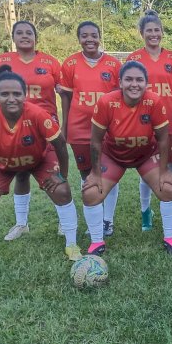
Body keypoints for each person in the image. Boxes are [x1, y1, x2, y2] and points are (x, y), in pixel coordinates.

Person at [0, 66, 80, 272]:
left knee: (62, 191)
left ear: (24, 94)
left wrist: (62, 175)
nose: (11, 98)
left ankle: (72, 245)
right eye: (4, 94)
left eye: (16, 93)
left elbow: (60, 144)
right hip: (1, 163)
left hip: (40, 158)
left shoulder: (37, 114)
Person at [81, 61, 172, 255]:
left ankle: (170, 237)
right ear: (120, 82)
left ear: (146, 83)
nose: (134, 84)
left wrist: (164, 170)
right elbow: (95, 142)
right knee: (91, 193)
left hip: (145, 154)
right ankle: (96, 242)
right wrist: (94, 173)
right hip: (114, 155)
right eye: (129, 79)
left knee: (168, 188)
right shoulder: (106, 102)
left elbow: (162, 140)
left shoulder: (154, 101)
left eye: (139, 80)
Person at [0, 21, 63, 241]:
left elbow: (64, 92)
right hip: (12, 126)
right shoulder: (2, 61)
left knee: (53, 172)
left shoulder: (50, 62)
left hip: (45, 127)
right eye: (19, 32)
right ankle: (22, 223)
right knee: (20, 173)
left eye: (29, 32)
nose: (24, 36)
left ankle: (63, 222)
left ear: (36, 37)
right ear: (13, 37)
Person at [59, 21, 121, 236]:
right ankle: (94, 218)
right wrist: (65, 126)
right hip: (79, 128)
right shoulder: (69, 64)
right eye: (84, 36)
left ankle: (107, 220)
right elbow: (65, 97)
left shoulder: (113, 64)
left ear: (99, 37)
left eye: (93, 35)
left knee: (107, 173)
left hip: (108, 129)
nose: (89, 39)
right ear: (78, 39)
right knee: (87, 174)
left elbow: (120, 99)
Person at [127, 11, 172, 233]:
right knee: (147, 170)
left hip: (170, 121)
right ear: (142, 33)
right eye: (148, 30)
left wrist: (168, 103)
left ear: (162, 32)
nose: (153, 34)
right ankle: (146, 212)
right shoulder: (134, 58)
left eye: (156, 30)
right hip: (143, 122)